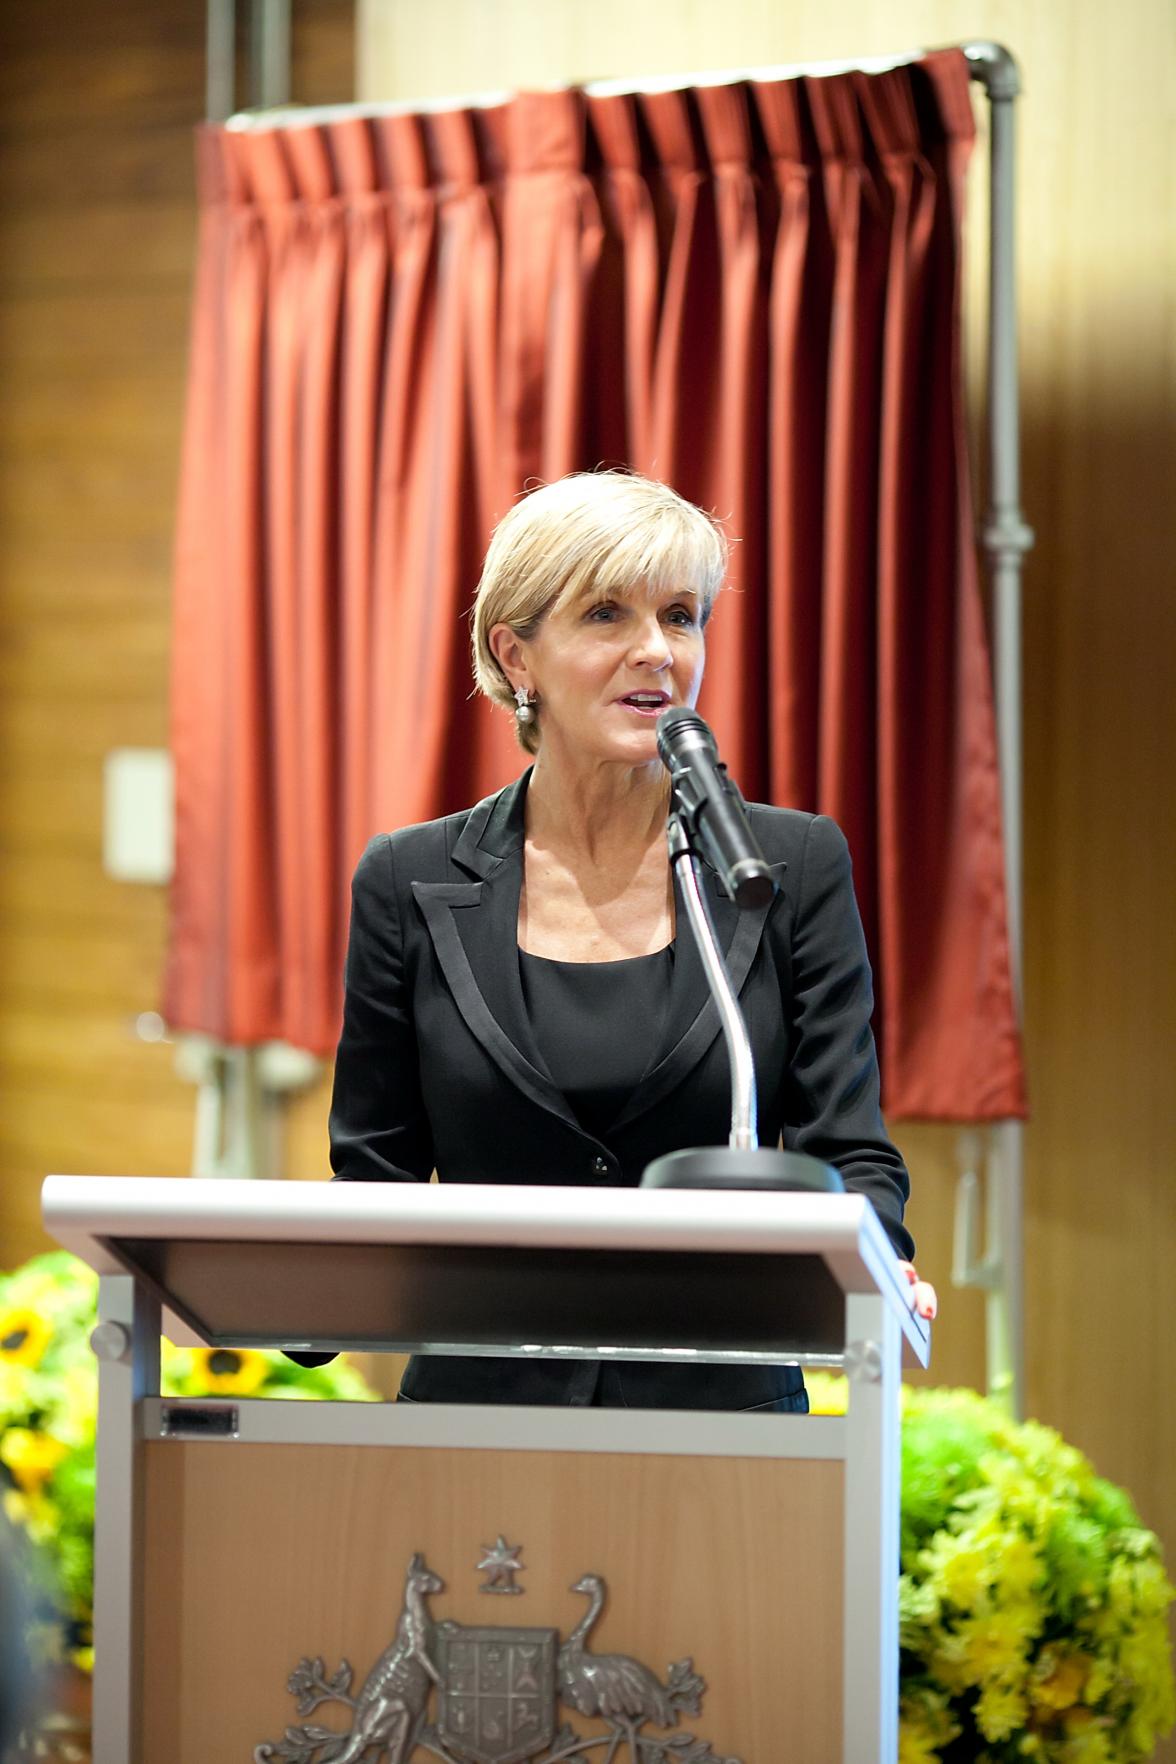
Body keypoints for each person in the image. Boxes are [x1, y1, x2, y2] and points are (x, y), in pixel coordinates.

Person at [328, 471, 935, 1410]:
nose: (657, 650)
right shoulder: (411, 881)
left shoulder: (787, 866)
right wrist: (290, 1299)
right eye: (608, 614)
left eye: (682, 615)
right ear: (515, 655)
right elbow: (375, 1168)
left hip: (722, 1422)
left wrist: (878, 1265)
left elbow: (851, 1151)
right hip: (479, 1419)